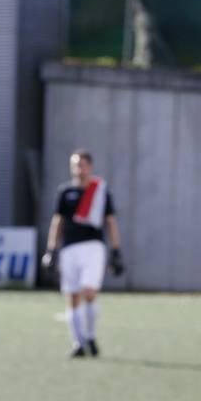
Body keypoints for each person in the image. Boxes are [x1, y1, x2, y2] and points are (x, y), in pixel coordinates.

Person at [41, 150, 124, 358]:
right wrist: (51, 250)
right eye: (76, 165)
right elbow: (57, 221)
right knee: (73, 296)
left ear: (90, 167)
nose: (79, 169)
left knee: (89, 292)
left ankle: (90, 336)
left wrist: (116, 250)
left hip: (93, 247)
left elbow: (111, 222)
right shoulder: (65, 192)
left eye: (83, 165)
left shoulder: (100, 192)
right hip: (69, 249)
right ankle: (79, 342)